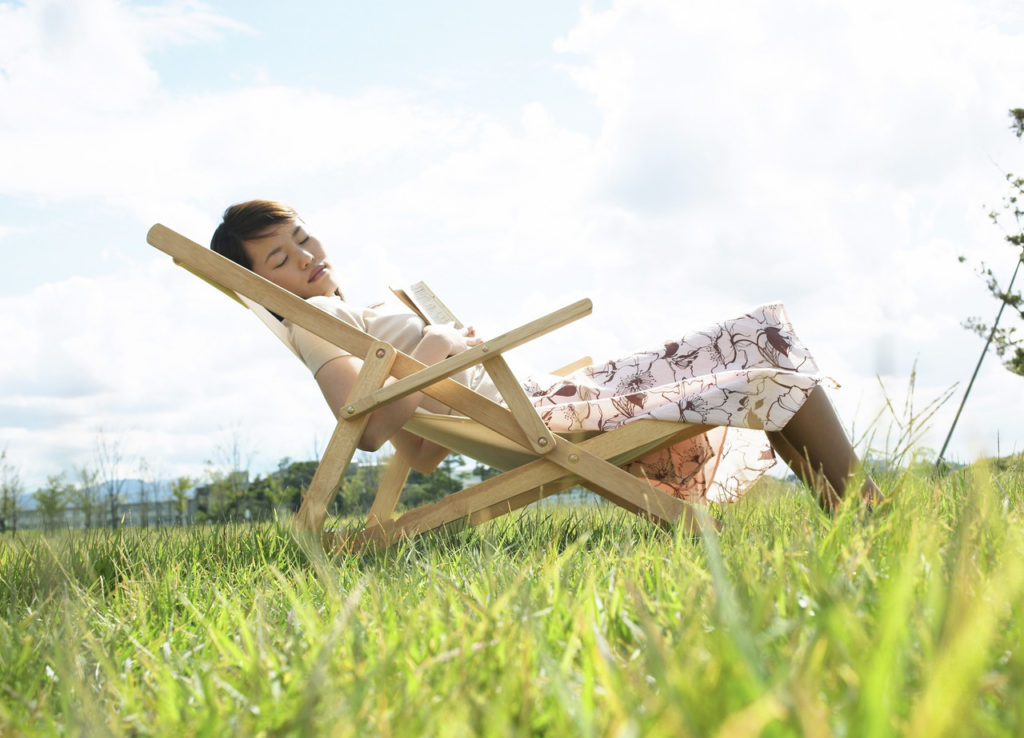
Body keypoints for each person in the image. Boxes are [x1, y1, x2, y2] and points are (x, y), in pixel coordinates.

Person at [211, 200, 881, 512]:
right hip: (547, 412)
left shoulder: (332, 308)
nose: (306, 255)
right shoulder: (316, 320)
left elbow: (417, 446)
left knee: (764, 335)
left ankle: (853, 511)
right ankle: (865, 516)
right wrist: (446, 346)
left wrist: (443, 364)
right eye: (281, 257)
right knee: (768, 366)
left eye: (302, 237)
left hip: (538, 399)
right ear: (261, 285)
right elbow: (366, 422)